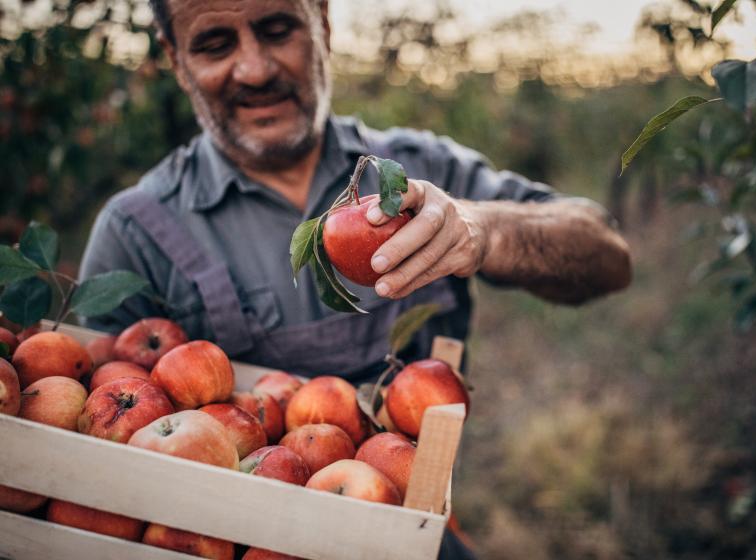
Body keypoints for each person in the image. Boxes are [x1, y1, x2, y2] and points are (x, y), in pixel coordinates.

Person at [79, 1, 632, 557]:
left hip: (405, 534)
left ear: (322, 25)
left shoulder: (413, 174)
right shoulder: (137, 231)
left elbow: (607, 256)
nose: (254, 69)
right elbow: (94, 463)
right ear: (176, 60)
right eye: (215, 45)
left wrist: (484, 228)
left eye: (277, 30)